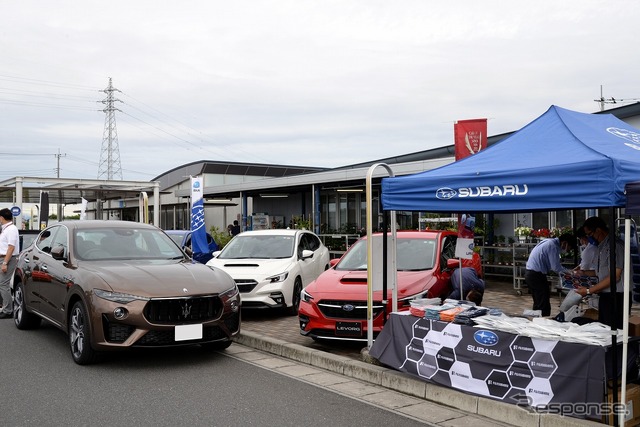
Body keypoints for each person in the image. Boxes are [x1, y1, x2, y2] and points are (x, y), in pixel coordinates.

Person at [574, 216, 627, 329]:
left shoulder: (615, 246)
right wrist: (583, 273)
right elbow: (600, 272)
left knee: (613, 330)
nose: (589, 238)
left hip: (617, 295)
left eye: (590, 234)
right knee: (603, 328)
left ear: (598, 230)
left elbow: (614, 276)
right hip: (605, 294)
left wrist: (589, 290)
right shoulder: (601, 246)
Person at [525, 233, 576, 317]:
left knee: (539, 302)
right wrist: (570, 272)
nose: (567, 250)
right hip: (536, 275)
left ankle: (536, 321)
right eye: (568, 248)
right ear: (564, 243)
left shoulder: (549, 242)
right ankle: (542, 323)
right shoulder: (553, 246)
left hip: (531, 274)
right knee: (543, 304)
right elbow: (556, 267)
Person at [556, 228, 599, 317]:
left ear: (583, 238)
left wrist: (574, 273)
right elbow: (582, 265)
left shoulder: (589, 250)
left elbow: (583, 268)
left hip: (591, 279)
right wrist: (573, 271)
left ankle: (564, 311)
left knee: (575, 291)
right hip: (593, 276)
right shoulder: (592, 248)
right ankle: (564, 311)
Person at [0, 208, 19, 319]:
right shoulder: (5, 228)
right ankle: (4, 306)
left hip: (7, 259)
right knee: (1, 283)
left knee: (3, 283)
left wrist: (5, 263)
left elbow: (11, 247)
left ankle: (8, 311)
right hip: (3, 258)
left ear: (2, 217)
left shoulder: (11, 229)